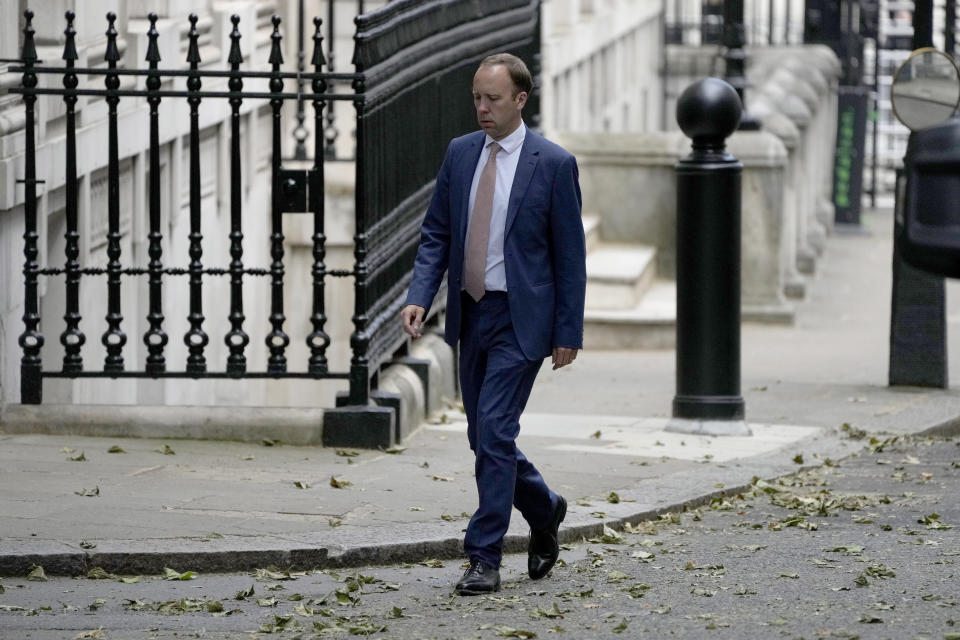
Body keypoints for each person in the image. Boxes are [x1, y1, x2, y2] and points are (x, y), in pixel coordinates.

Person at [400, 53, 587, 595]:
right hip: (471, 313)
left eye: (493, 99)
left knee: (496, 432)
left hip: (522, 320)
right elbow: (437, 232)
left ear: (520, 100)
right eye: (477, 98)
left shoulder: (552, 163)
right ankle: (545, 507)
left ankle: (484, 555)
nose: (482, 108)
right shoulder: (461, 154)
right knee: (484, 438)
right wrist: (419, 295)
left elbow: (570, 256)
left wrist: (567, 332)